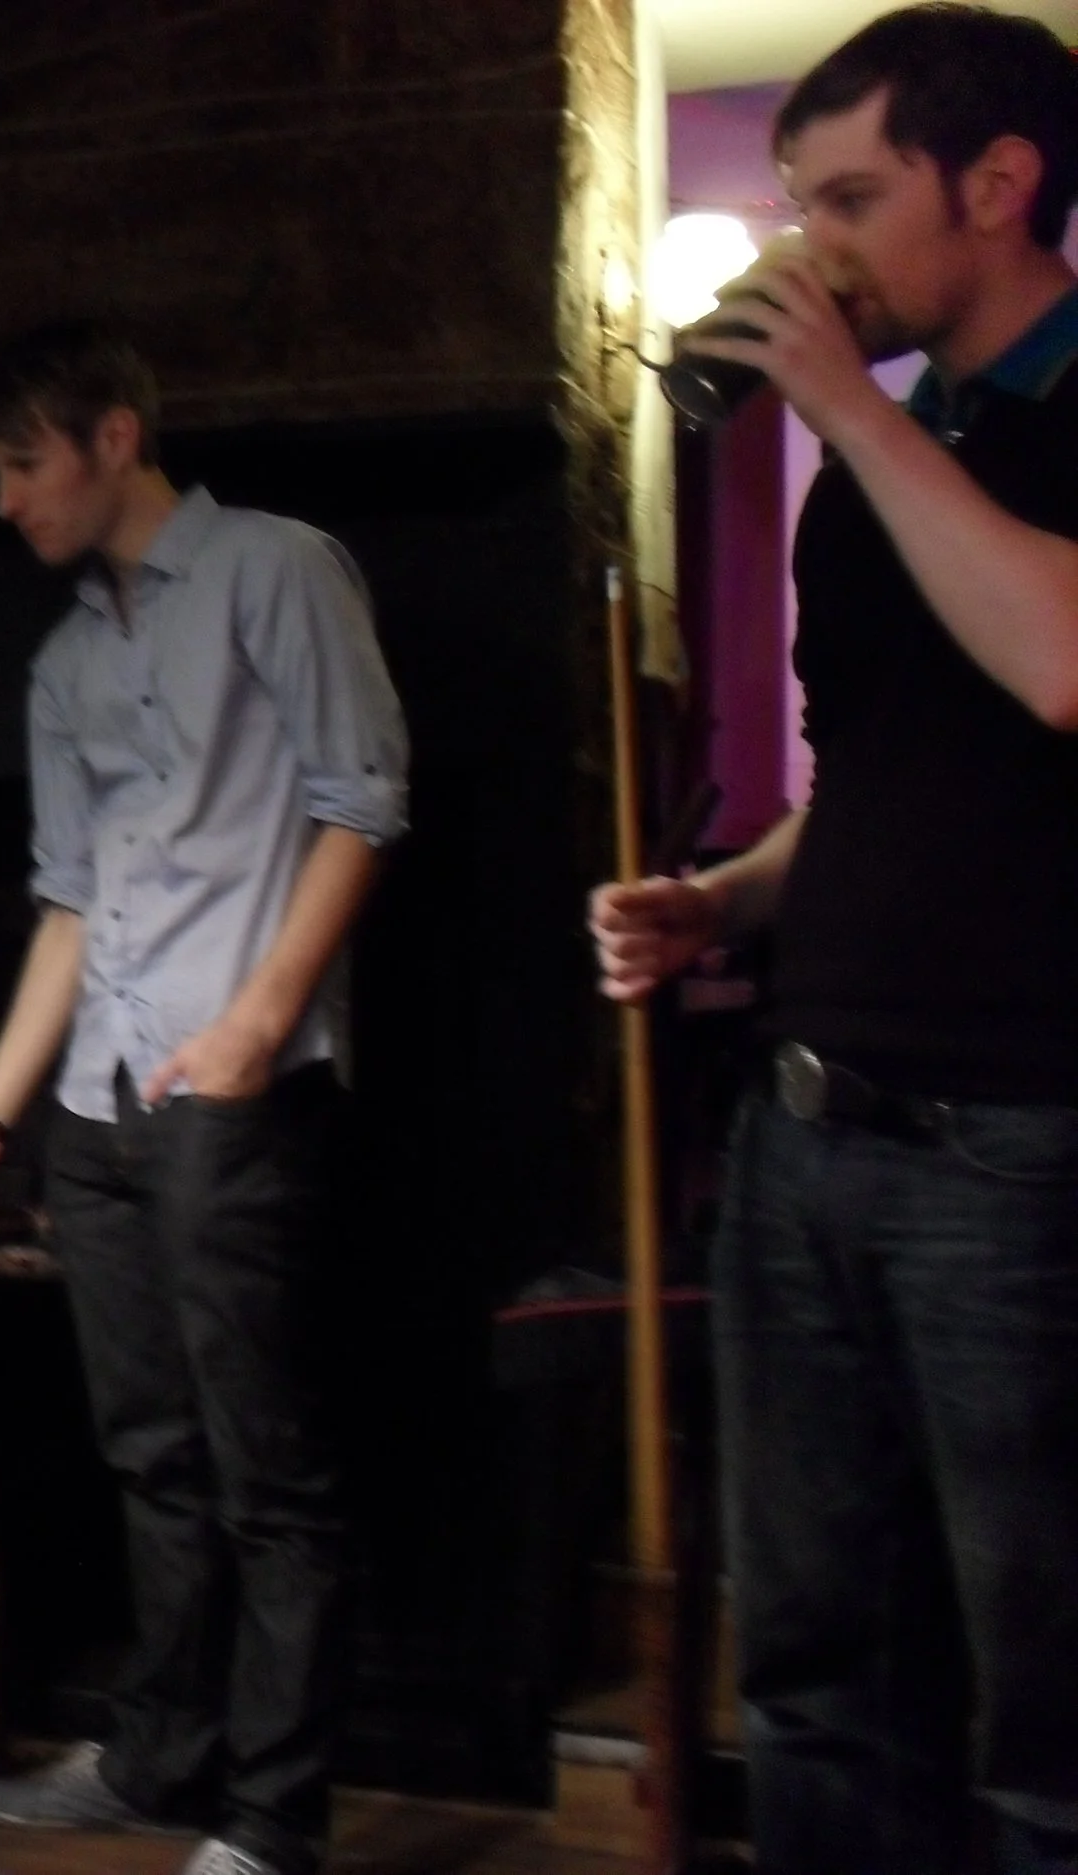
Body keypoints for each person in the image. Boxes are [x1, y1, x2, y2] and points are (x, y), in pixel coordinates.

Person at [589, 10, 1078, 1869]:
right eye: (801, 203)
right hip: (805, 1135)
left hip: (1020, 1153)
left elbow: (1063, 665)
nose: (817, 245)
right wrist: (721, 897)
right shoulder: (891, 459)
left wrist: (851, 418)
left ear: (1000, 182)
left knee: (1044, 1708)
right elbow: (865, 778)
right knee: (811, 1668)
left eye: (853, 199)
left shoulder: (964, 432)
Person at [0, 323, 408, 1875]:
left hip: (235, 1088)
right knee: (151, 1454)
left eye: (24, 464)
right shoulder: (63, 662)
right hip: (99, 1103)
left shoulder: (276, 568)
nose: (5, 500)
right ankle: (160, 1759)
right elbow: (67, 896)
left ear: (115, 436)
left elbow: (362, 801)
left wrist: (259, 1021)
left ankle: (275, 1820)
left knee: (270, 1470)